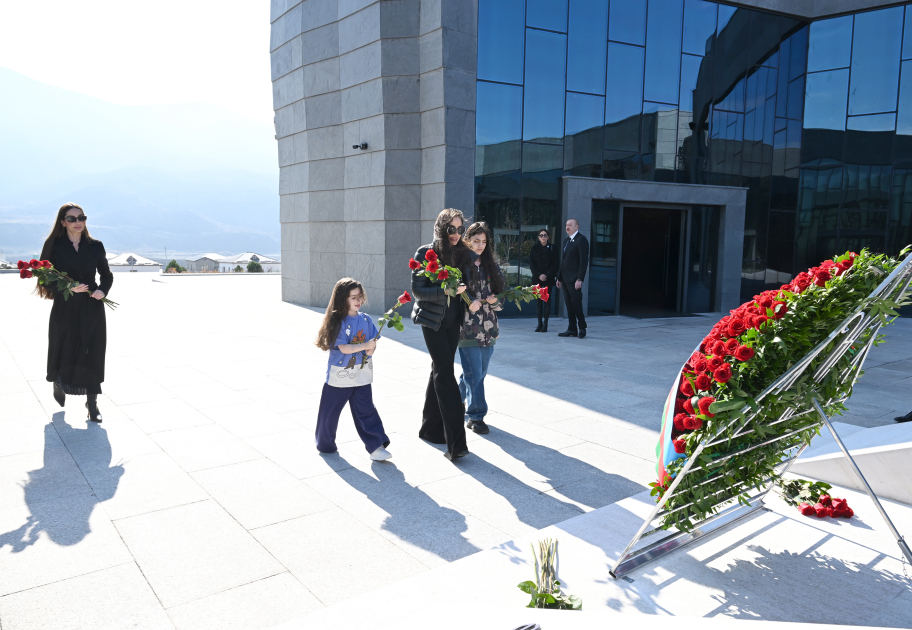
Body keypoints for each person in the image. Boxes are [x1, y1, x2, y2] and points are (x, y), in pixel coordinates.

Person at [37, 203, 113, 422]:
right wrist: (67, 287)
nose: (78, 222)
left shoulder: (96, 246)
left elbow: (106, 275)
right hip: (65, 306)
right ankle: (58, 381)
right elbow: (43, 276)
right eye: (72, 218)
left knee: (92, 352)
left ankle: (92, 404)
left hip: (92, 307)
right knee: (65, 348)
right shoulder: (54, 245)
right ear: (63, 222)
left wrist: (102, 290)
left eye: (82, 217)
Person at [411, 208, 471, 461]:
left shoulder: (463, 254)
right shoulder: (426, 253)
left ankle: (429, 429)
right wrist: (446, 292)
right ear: (441, 228)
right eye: (452, 229)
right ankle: (456, 445)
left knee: (438, 369)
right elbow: (418, 291)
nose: (456, 234)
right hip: (432, 323)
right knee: (446, 374)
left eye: (460, 229)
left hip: (454, 323)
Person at [314, 278, 392, 461]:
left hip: (362, 374)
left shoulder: (366, 319)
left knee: (367, 410)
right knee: (330, 412)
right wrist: (365, 345)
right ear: (343, 299)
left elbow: (373, 342)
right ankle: (325, 444)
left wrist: (372, 347)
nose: (358, 301)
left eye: (360, 296)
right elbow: (345, 348)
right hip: (339, 376)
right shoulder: (338, 322)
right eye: (353, 297)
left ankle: (376, 447)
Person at [458, 222, 504, 435]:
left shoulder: (492, 266)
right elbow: (450, 292)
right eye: (476, 241)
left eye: (484, 242)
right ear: (467, 240)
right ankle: (476, 416)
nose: (480, 245)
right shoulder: (459, 265)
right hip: (467, 329)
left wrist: (494, 302)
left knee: (478, 372)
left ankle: (456, 401)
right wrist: (468, 301)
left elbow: (502, 300)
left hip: (489, 329)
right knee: (475, 373)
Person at [556, 218, 590, 339]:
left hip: (574, 279)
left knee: (576, 304)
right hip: (565, 279)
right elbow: (563, 261)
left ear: (577, 227)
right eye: (566, 225)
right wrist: (559, 278)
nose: (567, 227)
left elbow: (583, 262)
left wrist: (579, 279)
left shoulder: (581, 240)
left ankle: (582, 327)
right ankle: (572, 329)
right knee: (569, 305)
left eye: (570, 225)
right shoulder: (566, 241)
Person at [529, 228, 559, 333]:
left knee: (547, 300)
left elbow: (555, 263)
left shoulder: (553, 248)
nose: (543, 237)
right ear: (538, 237)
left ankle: (545, 324)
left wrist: (546, 274)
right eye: (541, 235)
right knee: (538, 301)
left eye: (545, 235)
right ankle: (539, 324)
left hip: (548, 279)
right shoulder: (534, 248)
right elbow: (532, 264)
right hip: (537, 279)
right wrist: (539, 275)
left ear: (548, 237)